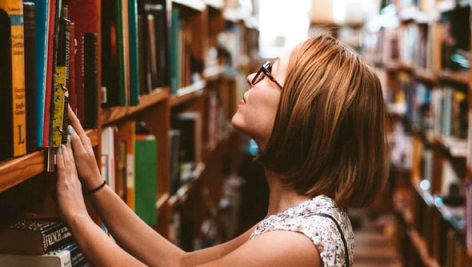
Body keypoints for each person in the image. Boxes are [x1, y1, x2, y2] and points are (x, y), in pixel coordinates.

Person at [56, 33, 388, 267]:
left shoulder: (296, 242)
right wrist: (96, 187)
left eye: (267, 72)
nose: (249, 77)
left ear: (300, 111)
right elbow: (179, 262)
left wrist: (76, 217)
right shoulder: (299, 218)